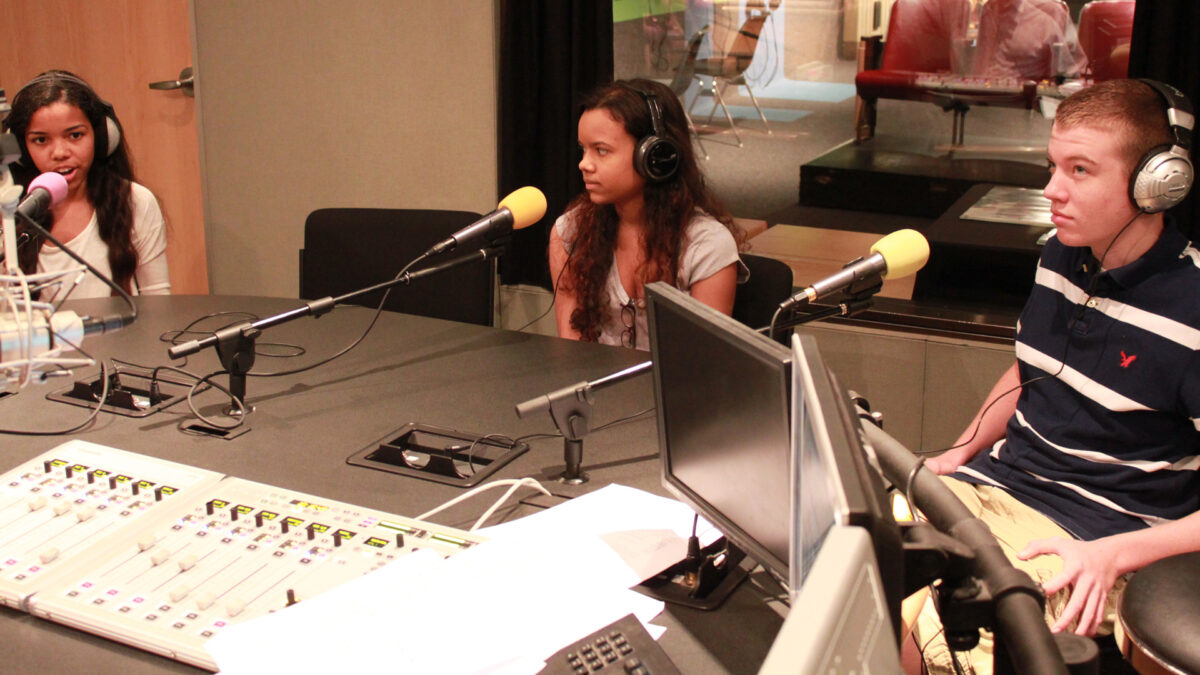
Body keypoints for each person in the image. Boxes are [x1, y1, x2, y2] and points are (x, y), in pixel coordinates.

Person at [909, 78, 1200, 673]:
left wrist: (1116, 555)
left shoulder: (1193, 307)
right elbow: (1030, 366)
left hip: (1094, 538)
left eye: (1079, 170)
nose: (1051, 189)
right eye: (1052, 166)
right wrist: (959, 452)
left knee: (926, 628)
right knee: (847, 549)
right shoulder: (1062, 254)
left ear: (1156, 183)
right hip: (994, 488)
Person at [549, 78, 744, 350]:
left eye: (601, 150)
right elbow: (572, 351)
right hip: (593, 379)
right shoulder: (571, 231)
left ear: (654, 155)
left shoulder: (706, 245)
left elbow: (701, 363)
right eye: (583, 149)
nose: (584, 164)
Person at [3, 69, 170, 300]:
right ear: (22, 149)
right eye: (40, 140)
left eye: (75, 135)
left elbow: (158, 300)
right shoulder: (9, 213)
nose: (60, 153)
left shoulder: (135, 201)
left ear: (102, 137)